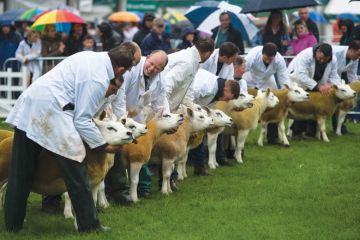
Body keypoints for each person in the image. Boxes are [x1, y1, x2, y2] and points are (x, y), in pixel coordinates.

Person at [4, 42, 137, 233]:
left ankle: (13, 226)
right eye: (130, 68)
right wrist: (102, 145)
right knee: (77, 164)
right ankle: (89, 226)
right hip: (51, 110)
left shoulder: (92, 58)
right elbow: (82, 120)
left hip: (32, 103)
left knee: (20, 169)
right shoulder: (98, 78)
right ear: (121, 68)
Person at [107, 50, 169, 200]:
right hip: (117, 114)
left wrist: (166, 117)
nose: (152, 68)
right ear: (147, 57)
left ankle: (142, 188)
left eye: (157, 68)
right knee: (114, 154)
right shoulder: (131, 69)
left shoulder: (160, 80)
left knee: (140, 153)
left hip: (136, 118)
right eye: (151, 63)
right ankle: (116, 191)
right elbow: (119, 95)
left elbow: (160, 102)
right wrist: (121, 120)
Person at [189, 69, 240, 175]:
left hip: (196, 113)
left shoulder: (217, 91)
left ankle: (200, 168)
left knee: (199, 137)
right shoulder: (208, 86)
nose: (225, 101)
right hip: (185, 107)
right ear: (226, 90)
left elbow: (206, 106)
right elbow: (189, 96)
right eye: (227, 98)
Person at [287, 43, 341, 137]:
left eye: (325, 60)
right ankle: (297, 132)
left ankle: (311, 132)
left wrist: (330, 85)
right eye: (320, 58)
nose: (321, 61)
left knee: (316, 106)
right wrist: (318, 87)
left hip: (317, 82)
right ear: (318, 51)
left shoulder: (333, 60)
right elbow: (301, 75)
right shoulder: (306, 55)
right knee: (303, 105)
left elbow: (334, 76)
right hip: (298, 81)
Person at [243, 43, 290, 144]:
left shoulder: (279, 59)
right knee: (247, 104)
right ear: (262, 53)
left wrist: (286, 91)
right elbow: (243, 68)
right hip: (250, 78)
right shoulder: (254, 53)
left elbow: (283, 76)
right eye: (266, 58)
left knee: (274, 103)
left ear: (275, 56)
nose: (268, 61)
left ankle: (272, 138)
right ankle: (242, 132)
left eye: (270, 59)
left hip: (268, 80)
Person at [163, 37, 215, 112]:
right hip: (156, 106)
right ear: (208, 53)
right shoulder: (188, 62)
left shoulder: (193, 60)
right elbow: (167, 85)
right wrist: (165, 111)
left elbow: (188, 88)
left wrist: (190, 106)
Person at [331, 40, 360, 133]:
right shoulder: (336, 52)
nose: (359, 57)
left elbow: (352, 75)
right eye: (358, 54)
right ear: (351, 50)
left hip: (336, 79)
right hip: (324, 77)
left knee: (337, 103)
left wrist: (355, 88)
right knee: (321, 105)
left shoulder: (355, 59)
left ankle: (338, 128)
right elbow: (329, 70)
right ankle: (311, 129)